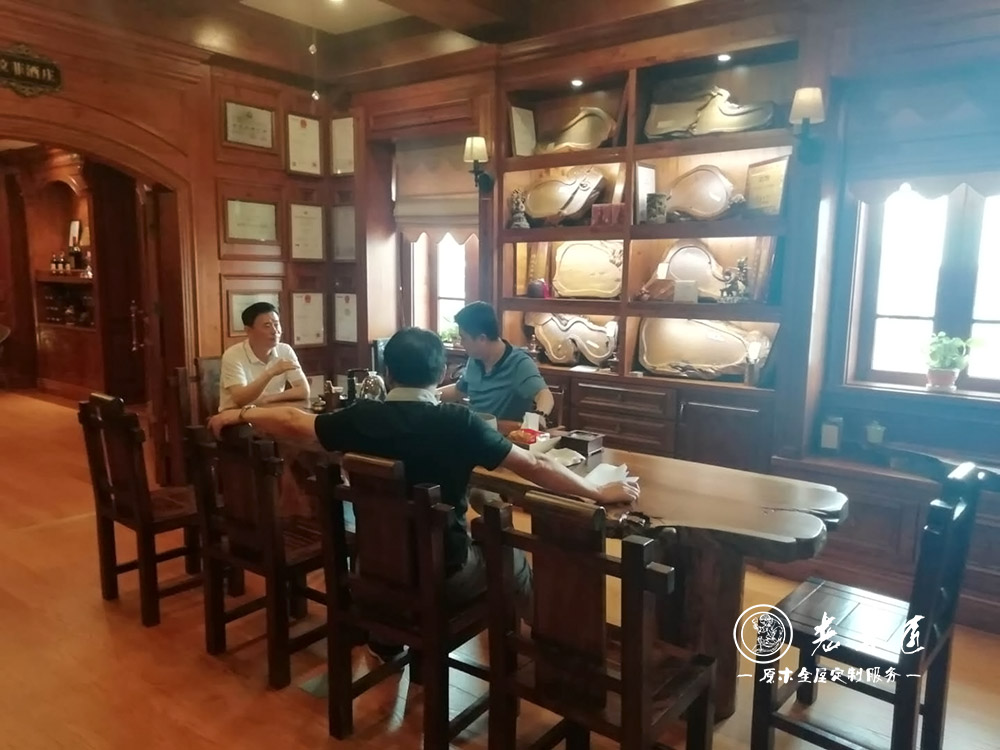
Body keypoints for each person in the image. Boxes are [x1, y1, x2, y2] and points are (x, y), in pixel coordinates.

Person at [207, 327, 639, 655]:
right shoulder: (458, 423)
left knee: (445, 524)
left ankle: (386, 638)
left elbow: (293, 421)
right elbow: (536, 465)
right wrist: (598, 493)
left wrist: (239, 412)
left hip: (374, 570)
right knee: (513, 557)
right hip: (444, 576)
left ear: (388, 372)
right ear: (443, 373)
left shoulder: (361, 418)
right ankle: (548, 652)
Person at [438, 301, 555, 425]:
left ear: (482, 339)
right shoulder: (474, 360)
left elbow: (545, 395)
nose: (461, 343)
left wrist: (539, 416)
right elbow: (458, 390)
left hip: (504, 433)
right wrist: (428, 395)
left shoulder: (519, 363)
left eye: (464, 338)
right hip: (475, 431)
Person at [218, 301, 309, 411]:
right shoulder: (233, 355)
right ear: (248, 330)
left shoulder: (285, 350)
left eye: (276, 324)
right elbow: (241, 400)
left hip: (271, 411)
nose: (275, 331)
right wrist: (271, 372)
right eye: (267, 326)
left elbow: (303, 391)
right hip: (237, 415)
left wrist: (268, 399)